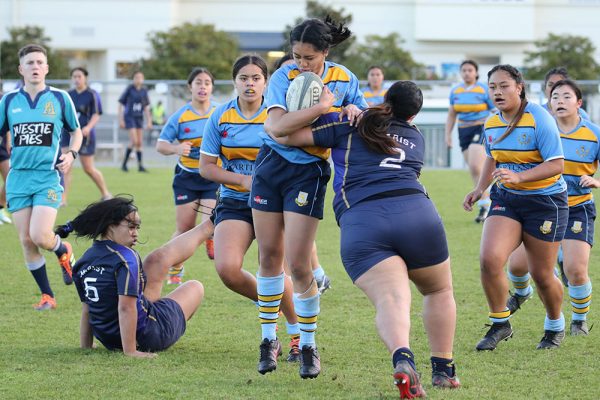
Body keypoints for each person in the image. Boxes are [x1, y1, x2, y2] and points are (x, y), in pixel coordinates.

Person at [269, 80, 460, 397]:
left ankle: (403, 357)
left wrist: (322, 110)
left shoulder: (350, 123)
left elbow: (286, 136)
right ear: (414, 115)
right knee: (439, 290)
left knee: (392, 300)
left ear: (384, 99)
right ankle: (444, 371)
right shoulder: (416, 136)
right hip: (419, 215)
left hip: (365, 221)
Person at [250, 16, 368, 379]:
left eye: (309, 58)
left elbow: (361, 116)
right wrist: (322, 108)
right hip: (270, 166)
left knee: (300, 264)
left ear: (326, 52)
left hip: (310, 172)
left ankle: (309, 344)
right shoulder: (283, 77)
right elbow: (275, 126)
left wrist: (353, 111)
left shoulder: (345, 79)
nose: (301, 64)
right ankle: (269, 341)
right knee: (269, 255)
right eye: (296, 56)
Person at [200, 55, 301, 367]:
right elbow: (206, 168)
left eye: (256, 78)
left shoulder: (277, 114)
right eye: (243, 78)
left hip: (273, 201)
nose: (249, 83)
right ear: (234, 82)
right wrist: (242, 179)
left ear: (265, 82)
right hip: (233, 201)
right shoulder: (221, 116)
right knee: (227, 269)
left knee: (276, 269)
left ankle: (297, 336)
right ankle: (273, 305)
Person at [463, 64, 568, 351]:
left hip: (545, 202)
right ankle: (500, 323)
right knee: (489, 260)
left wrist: (520, 176)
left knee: (542, 274)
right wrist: (479, 189)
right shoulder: (491, 122)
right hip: (507, 198)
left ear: (519, 87)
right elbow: (491, 157)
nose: (498, 92)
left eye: (504, 86)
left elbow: (557, 164)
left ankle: (554, 324)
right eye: (493, 87)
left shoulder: (540, 118)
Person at [57, 196, 204, 357]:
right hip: (146, 337)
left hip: (109, 340)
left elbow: (87, 308)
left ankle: (210, 225)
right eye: (131, 227)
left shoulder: (85, 260)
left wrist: (86, 346)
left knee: (157, 263)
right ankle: (212, 223)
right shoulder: (126, 258)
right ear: (110, 225)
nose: (136, 234)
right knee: (195, 287)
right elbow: (126, 307)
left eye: (137, 228)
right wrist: (131, 351)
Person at [506, 79, 596, 336]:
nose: (559, 101)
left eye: (566, 96)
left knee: (576, 270)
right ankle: (523, 293)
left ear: (579, 103)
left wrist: (595, 180)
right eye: (555, 97)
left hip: (577, 208)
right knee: (516, 266)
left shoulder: (593, 134)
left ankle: (579, 319)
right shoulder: (539, 130)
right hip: (542, 207)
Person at [0, 44, 82, 310]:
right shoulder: (9, 101)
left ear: (46, 68)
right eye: (30, 63)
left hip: (47, 177)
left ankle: (61, 249)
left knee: (39, 234)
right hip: (18, 179)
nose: (35, 67)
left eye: (39, 62)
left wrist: (72, 155)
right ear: (20, 69)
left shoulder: (60, 99)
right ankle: (48, 295)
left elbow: (76, 131)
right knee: (26, 240)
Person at [273, 53, 332, 295]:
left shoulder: (316, 107)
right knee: (285, 233)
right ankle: (316, 274)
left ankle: (296, 284)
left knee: (292, 232)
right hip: (272, 171)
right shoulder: (274, 106)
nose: (299, 77)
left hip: (305, 172)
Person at [157, 67, 219, 284]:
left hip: (212, 176)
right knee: (185, 229)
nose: (203, 87)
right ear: (190, 87)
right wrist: (176, 149)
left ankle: (210, 237)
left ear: (212, 87)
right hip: (187, 177)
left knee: (211, 222)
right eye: (198, 82)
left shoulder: (219, 113)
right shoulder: (180, 116)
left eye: (207, 83)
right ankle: (175, 269)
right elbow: (161, 145)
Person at [446, 60, 495, 223]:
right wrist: (448, 134)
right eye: (464, 70)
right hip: (463, 131)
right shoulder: (456, 91)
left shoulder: (483, 89)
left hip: (479, 128)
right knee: (475, 171)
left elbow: (495, 109)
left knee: (476, 166)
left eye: (470, 70)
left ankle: (485, 204)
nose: (467, 73)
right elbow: (452, 114)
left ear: (476, 73)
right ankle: (485, 203)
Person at [59, 67, 112, 207]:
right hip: (67, 135)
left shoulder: (92, 94)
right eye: (74, 77)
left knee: (88, 168)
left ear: (85, 78)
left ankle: (105, 193)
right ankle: (62, 199)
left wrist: (88, 127)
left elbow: (96, 114)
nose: (76, 79)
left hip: (85, 137)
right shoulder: (68, 95)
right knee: (65, 167)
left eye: (79, 76)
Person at [118, 71, 152, 172]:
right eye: (136, 77)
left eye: (140, 77)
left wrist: (149, 120)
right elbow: (120, 104)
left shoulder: (144, 91)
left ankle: (140, 166)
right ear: (133, 79)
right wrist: (121, 119)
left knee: (139, 142)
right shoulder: (129, 89)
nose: (138, 79)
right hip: (129, 117)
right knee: (134, 141)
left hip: (139, 117)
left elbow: (146, 107)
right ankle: (124, 164)